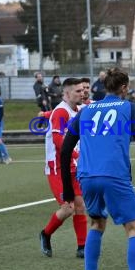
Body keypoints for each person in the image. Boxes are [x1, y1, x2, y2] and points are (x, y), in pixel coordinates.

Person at [60, 67, 135, 270]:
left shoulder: (85, 111)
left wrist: (67, 187)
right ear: (124, 88)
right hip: (114, 175)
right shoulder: (130, 108)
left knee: (96, 223)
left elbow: (65, 150)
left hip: (87, 177)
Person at [40, 78, 88, 259]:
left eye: (83, 90)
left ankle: (82, 246)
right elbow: (58, 140)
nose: (82, 93)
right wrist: (77, 155)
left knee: (80, 205)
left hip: (73, 167)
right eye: (78, 91)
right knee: (68, 208)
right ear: (66, 94)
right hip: (57, 168)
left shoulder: (79, 109)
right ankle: (46, 233)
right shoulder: (61, 112)